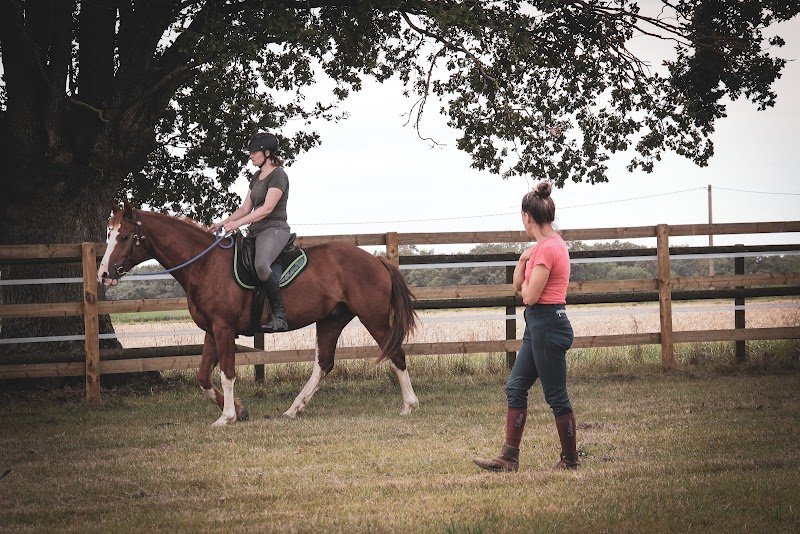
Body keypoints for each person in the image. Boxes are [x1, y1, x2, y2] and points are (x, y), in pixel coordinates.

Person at [473, 181, 578, 472]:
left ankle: (570, 460)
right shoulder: (543, 248)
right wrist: (521, 260)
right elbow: (519, 286)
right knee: (515, 387)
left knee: (556, 396)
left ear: (527, 217)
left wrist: (526, 283)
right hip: (538, 325)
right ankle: (509, 458)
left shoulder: (547, 251)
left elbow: (529, 295)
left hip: (548, 324)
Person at [208, 132, 290, 332]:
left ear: (267, 152)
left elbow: (266, 209)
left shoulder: (279, 175)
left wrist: (237, 225)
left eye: (254, 152)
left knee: (261, 265)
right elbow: (246, 208)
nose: (250, 156)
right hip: (255, 231)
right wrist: (223, 222)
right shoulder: (256, 177)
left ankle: (279, 316)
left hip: (274, 229)